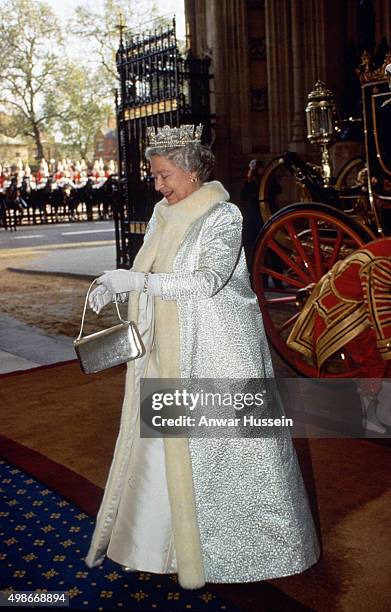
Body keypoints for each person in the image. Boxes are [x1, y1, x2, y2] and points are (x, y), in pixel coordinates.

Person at [85, 124, 320, 589]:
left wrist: (138, 283)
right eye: (155, 176)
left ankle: (251, 551)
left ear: (192, 171)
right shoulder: (161, 214)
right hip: (166, 347)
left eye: (165, 175)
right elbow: (149, 270)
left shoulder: (223, 216)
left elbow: (207, 282)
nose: (158, 185)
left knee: (228, 454)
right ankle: (154, 546)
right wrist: (115, 286)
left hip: (218, 351)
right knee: (159, 448)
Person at [287, 237, 391, 433]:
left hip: (366, 302)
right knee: (374, 359)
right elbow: (379, 311)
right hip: (345, 311)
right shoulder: (382, 264)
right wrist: (388, 348)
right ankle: (372, 414)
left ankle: (384, 411)